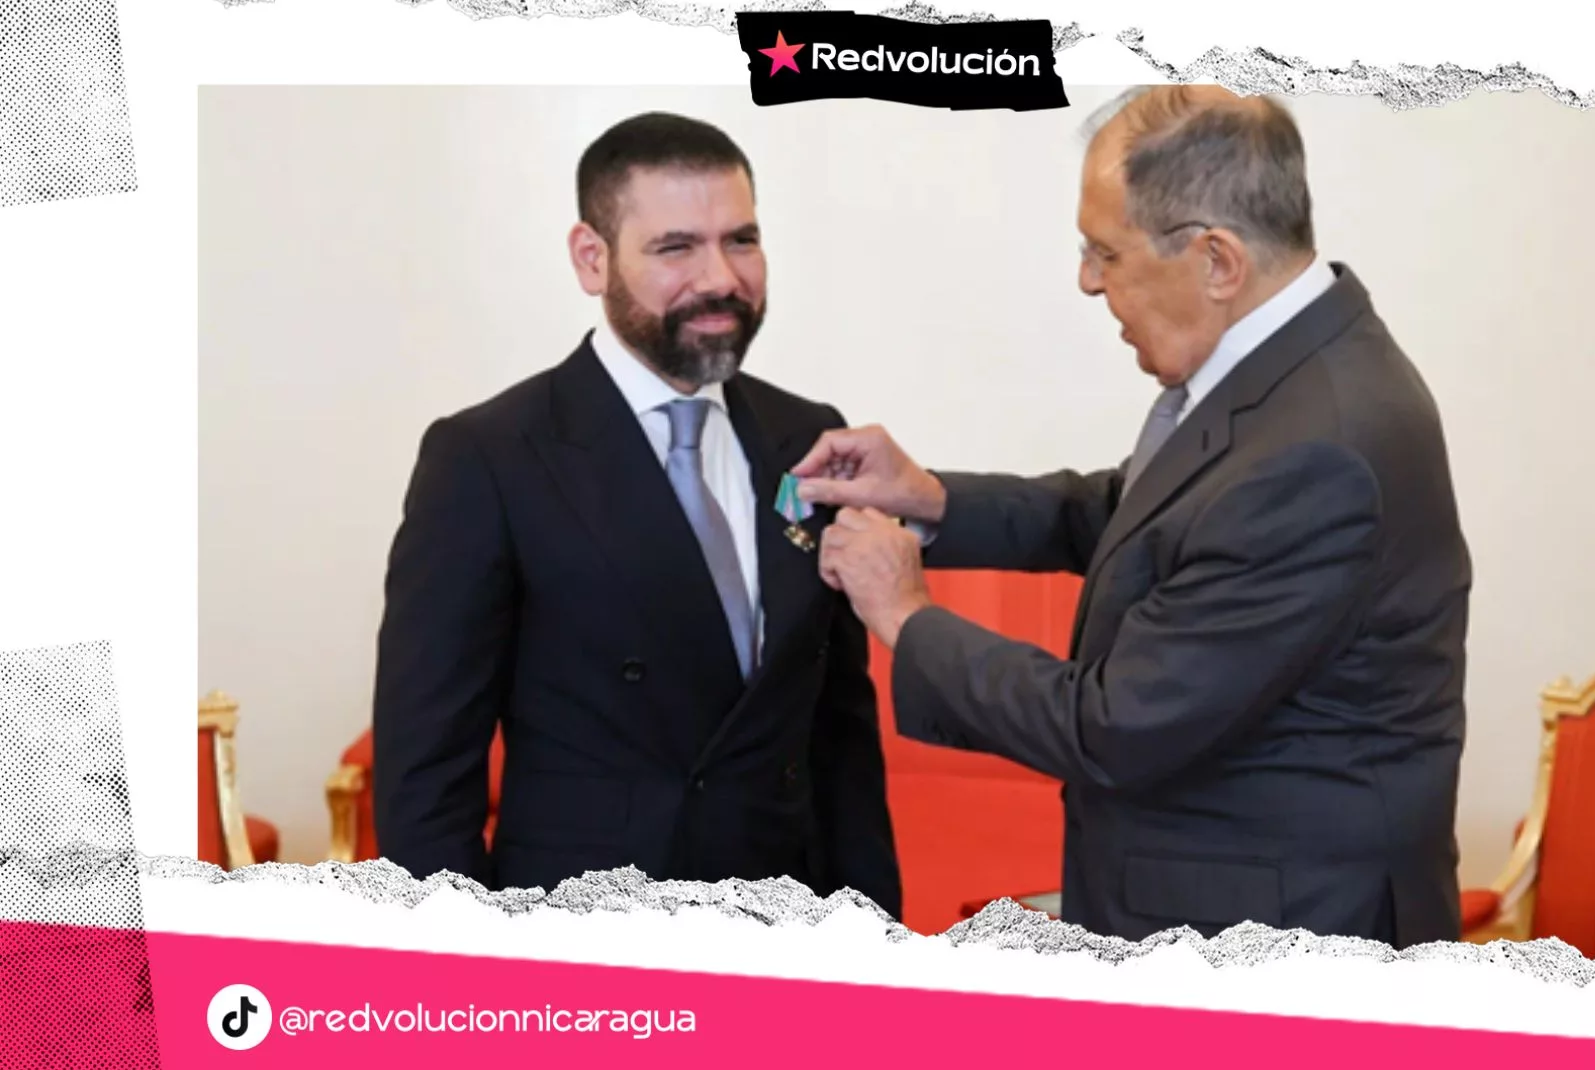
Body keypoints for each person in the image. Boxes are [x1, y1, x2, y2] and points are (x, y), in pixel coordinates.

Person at [795, 86, 1470, 946]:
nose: (1087, 280)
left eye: (1104, 252)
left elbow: (1113, 727)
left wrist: (904, 613)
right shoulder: (1298, 373)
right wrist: (932, 499)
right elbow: (1135, 514)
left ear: (1217, 261)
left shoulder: (1317, 451)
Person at [371, 112, 902, 919]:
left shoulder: (808, 436)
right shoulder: (487, 457)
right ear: (593, 258)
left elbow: (840, 736)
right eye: (676, 247)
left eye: (742, 240)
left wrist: (875, 939)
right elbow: (426, 774)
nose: (720, 278)